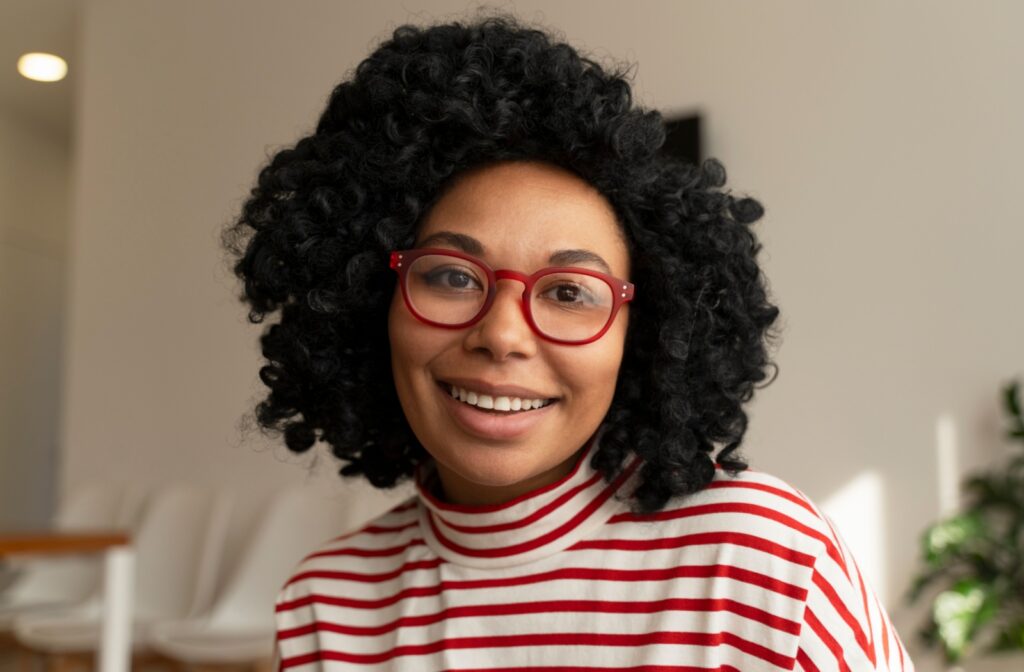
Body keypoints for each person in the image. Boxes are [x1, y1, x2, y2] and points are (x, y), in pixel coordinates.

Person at [223, 12, 913, 671]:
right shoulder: (328, 605)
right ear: (373, 300)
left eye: (568, 292)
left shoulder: (766, 562)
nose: (500, 334)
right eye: (452, 277)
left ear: (640, 336)